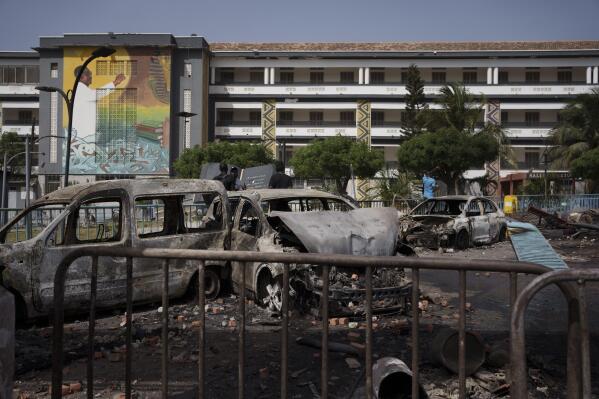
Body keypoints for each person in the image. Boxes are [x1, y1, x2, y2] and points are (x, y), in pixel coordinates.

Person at [71, 66, 126, 144]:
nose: (91, 76)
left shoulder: (81, 90)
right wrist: (115, 82)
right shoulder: (80, 90)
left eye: (90, 74)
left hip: (85, 137)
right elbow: (96, 94)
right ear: (81, 77)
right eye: (88, 74)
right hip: (84, 138)